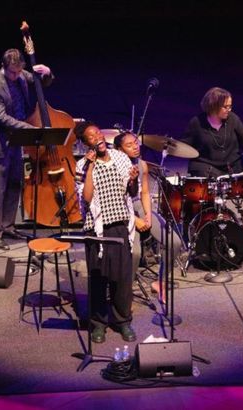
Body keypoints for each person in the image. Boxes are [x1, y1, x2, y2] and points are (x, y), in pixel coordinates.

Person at [0, 48, 53, 250]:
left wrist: (47, 73)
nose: (16, 76)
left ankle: (8, 226)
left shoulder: (21, 74)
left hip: (17, 141)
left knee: (15, 184)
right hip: (0, 143)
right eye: (12, 73)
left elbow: (41, 83)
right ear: (4, 67)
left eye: (18, 72)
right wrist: (30, 128)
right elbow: (2, 118)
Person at [74, 121, 137, 343]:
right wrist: (90, 166)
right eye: (92, 137)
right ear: (85, 143)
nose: (98, 137)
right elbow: (88, 197)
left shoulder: (120, 157)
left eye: (98, 133)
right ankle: (98, 323)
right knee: (98, 278)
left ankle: (123, 321)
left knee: (121, 278)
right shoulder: (81, 166)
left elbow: (132, 192)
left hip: (119, 224)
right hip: (96, 228)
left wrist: (133, 179)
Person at [179, 87, 243, 235]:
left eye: (230, 106)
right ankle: (200, 234)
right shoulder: (197, 123)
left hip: (233, 166)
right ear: (213, 106)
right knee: (197, 197)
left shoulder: (233, 119)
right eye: (225, 106)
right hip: (207, 167)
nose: (229, 109)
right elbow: (184, 146)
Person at [113, 131, 155, 266]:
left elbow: (145, 192)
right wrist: (135, 220)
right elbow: (116, 202)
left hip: (138, 204)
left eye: (136, 143)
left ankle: (160, 282)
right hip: (124, 209)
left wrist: (148, 214)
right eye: (129, 145)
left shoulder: (142, 164)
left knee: (174, 243)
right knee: (135, 253)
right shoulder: (114, 167)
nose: (135, 147)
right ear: (119, 149)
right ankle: (126, 284)